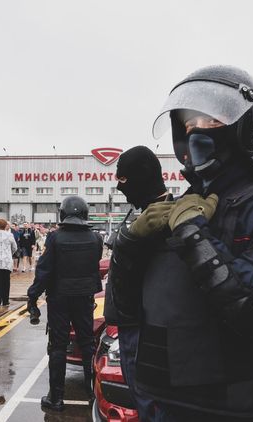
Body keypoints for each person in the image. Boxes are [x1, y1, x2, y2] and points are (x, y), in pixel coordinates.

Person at [112, 65, 253, 421]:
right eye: (188, 125)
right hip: (163, 401)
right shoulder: (178, 205)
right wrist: (129, 243)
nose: (196, 133)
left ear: (244, 128)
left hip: (230, 408)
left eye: (211, 123)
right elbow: (125, 312)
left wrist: (193, 233)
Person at [103, 145, 171, 420]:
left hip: (145, 330)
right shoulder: (145, 214)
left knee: (150, 404)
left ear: (141, 178)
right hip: (132, 325)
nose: (120, 188)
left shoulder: (162, 219)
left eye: (123, 180)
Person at [27, 196, 103, 411]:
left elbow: (44, 271)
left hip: (59, 298)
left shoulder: (55, 238)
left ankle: (56, 398)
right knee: (87, 344)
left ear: (63, 214)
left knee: (58, 346)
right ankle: (91, 394)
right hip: (84, 297)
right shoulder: (95, 238)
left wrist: (32, 295)